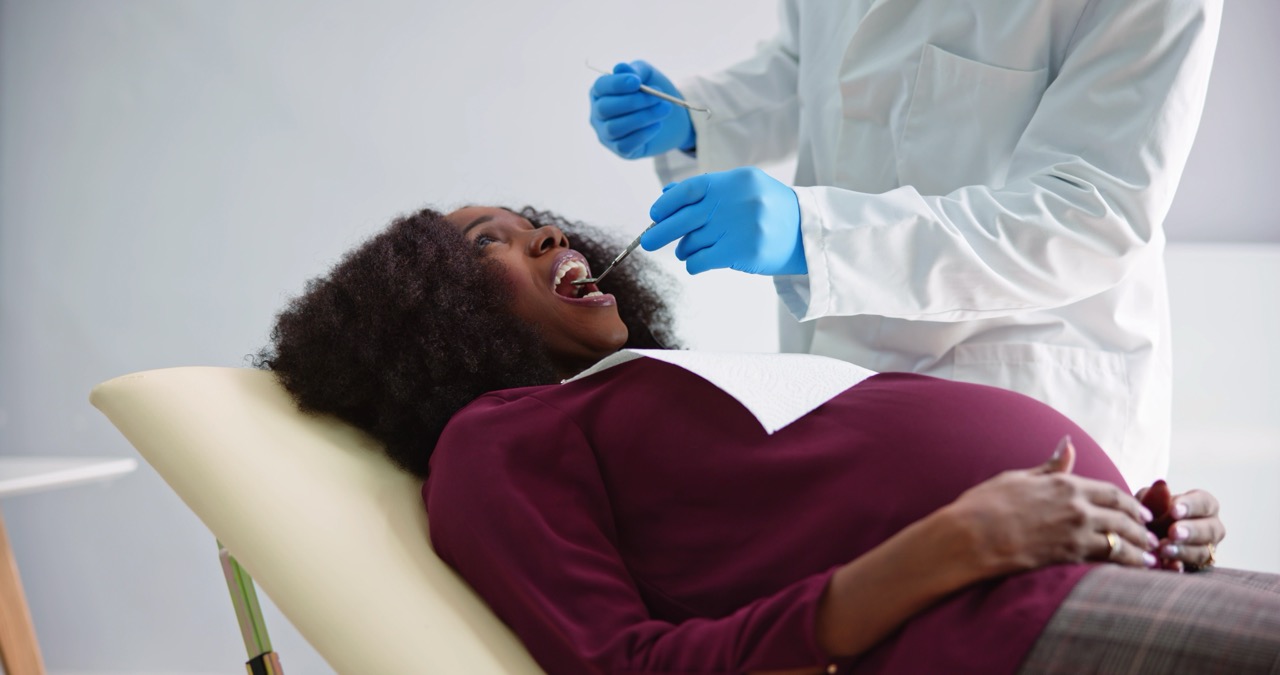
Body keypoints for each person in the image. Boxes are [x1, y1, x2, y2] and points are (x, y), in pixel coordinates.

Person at [257, 204, 1275, 674]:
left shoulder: (650, 395)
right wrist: (952, 545)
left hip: (1098, 582)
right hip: (992, 635)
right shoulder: (498, 437)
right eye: (490, 242)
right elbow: (625, 667)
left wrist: (1147, 526)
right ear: (431, 315)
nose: (549, 235)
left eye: (539, 223)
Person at [587, 1, 1224, 490]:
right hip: (831, 381)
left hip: (1024, 383)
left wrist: (817, 237)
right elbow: (815, 63)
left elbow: (1089, 212)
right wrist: (698, 116)